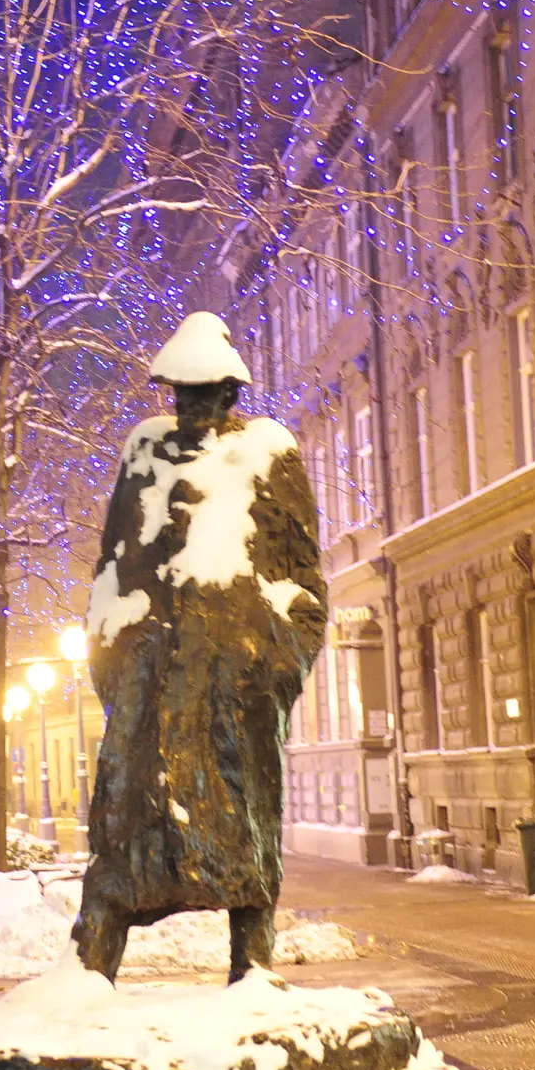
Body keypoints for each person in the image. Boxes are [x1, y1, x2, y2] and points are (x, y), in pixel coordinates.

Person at [72, 313, 327, 984]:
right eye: (177, 392)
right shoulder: (144, 452)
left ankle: (253, 975)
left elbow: (303, 578)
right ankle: (85, 985)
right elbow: (113, 563)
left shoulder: (269, 453)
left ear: (228, 392)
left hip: (234, 688)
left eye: (200, 392)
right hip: (150, 684)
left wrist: (277, 662)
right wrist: (112, 653)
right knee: (123, 841)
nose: (186, 406)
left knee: (246, 841)